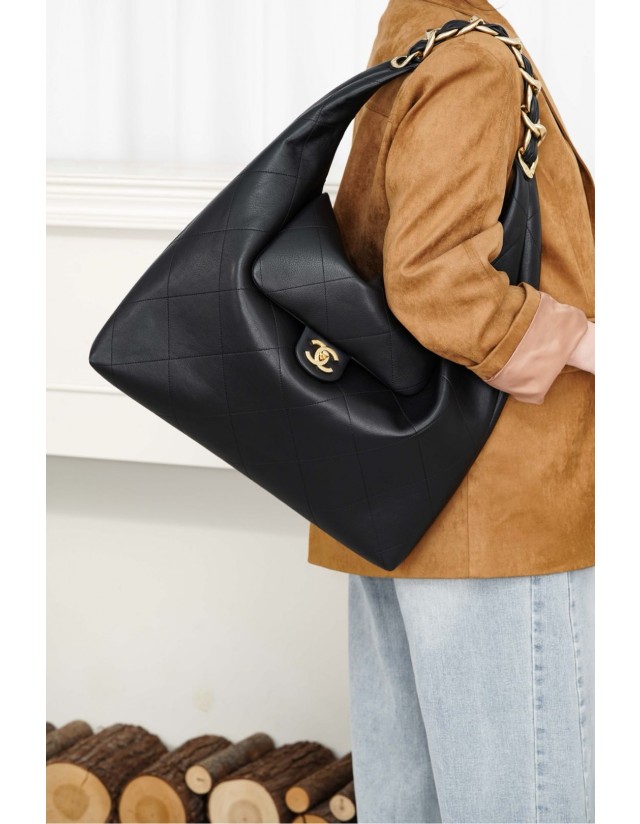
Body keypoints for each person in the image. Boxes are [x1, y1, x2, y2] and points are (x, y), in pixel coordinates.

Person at [307, 1, 595, 822]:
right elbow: (436, 278)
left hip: (403, 497)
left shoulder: (415, 36)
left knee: (413, 802)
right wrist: (593, 345)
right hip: (495, 507)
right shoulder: (472, 60)